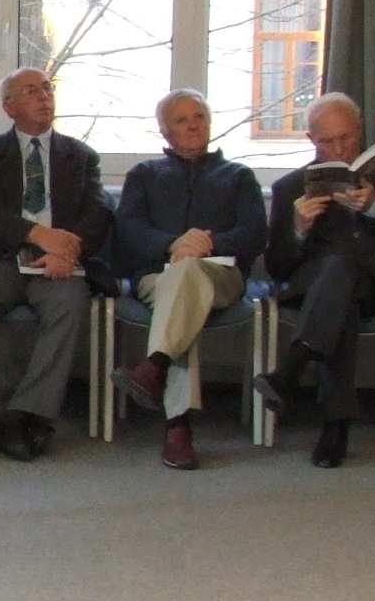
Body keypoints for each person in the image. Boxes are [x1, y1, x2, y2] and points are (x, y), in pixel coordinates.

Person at [255, 93, 375, 470]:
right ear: (311, 140)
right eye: (326, 142)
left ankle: (293, 369)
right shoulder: (290, 188)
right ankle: (335, 425)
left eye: (346, 138)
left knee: (340, 274)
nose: (338, 150)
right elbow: (277, 268)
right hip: (319, 292)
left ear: (360, 129)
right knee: (339, 290)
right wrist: (298, 229)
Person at [0, 67, 110, 461]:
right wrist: (36, 234)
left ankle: (26, 413)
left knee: (69, 304)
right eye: (31, 91)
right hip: (0, 259)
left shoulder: (81, 156)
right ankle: (13, 412)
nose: (44, 96)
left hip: (57, 265)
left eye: (47, 89)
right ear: (9, 107)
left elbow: (99, 211)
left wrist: (66, 251)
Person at [114, 89, 268, 471]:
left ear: (210, 123)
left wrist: (208, 244)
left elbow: (255, 233)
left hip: (221, 275)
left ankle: (160, 384)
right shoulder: (144, 175)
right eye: (181, 120)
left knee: (185, 281)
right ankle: (175, 420)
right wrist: (173, 245)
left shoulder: (238, 176)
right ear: (165, 132)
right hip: (157, 277)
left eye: (199, 117)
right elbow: (128, 230)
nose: (193, 125)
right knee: (182, 296)